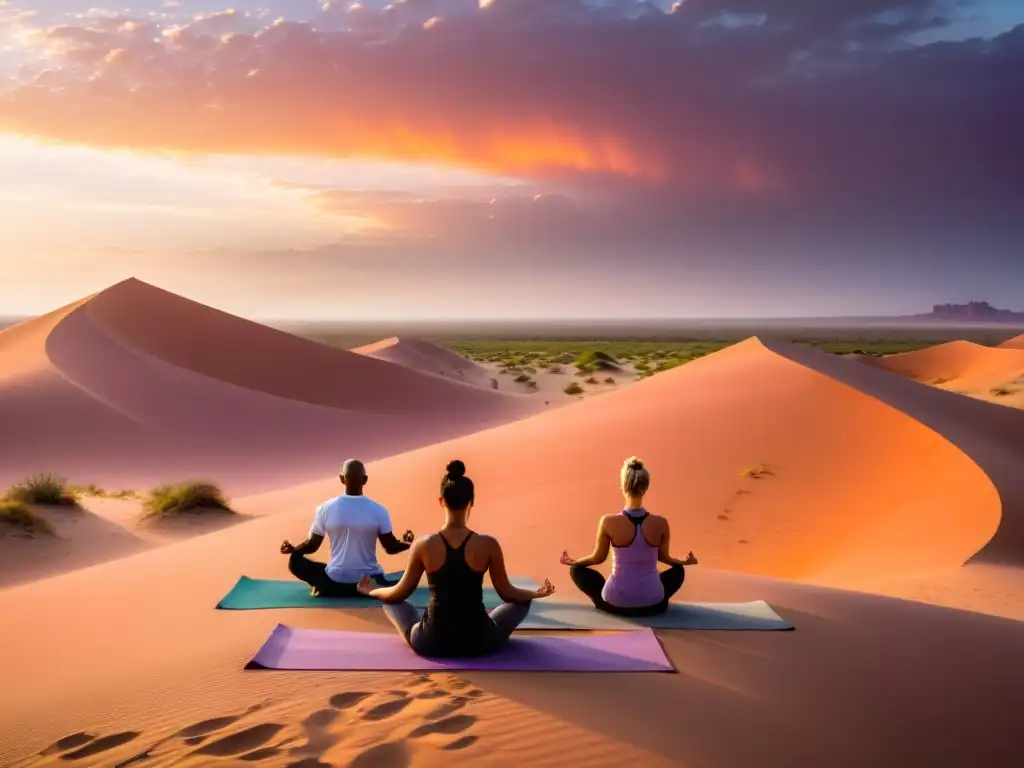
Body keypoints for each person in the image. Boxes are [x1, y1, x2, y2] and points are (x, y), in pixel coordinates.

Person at [357, 459, 556, 658]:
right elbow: (507, 593)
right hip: (480, 641)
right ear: (472, 501)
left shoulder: (424, 544)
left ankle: (418, 621)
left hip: (431, 642)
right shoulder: (488, 544)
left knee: (390, 600)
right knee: (523, 601)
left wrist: (373, 591)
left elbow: (398, 594)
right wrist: (534, 594)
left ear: (441, 500)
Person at [561, 456, 697, 617]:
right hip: (653, 604)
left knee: (577, 571)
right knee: (678, 571)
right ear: (645, 488)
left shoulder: (608, 521)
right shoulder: (660, 523)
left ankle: (604, 604)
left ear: (623, 487)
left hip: (616, 604)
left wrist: (574, 562)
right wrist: (683, 561)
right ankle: (652, 600)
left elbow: (597, 558)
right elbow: (664, 557)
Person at [280, 459, 415, 597]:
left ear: (341, 479)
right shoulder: (379, 510)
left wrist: (294, 550)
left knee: (295, 560)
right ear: (365, 480)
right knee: (403, 577)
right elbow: (391, 548)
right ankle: (376, 588)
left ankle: (324, 586)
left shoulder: (325, 508)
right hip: (369, 582)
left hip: (335, 582)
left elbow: (312, 545)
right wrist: (408, 544)